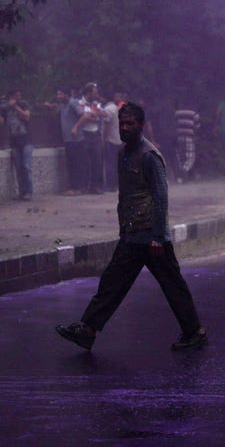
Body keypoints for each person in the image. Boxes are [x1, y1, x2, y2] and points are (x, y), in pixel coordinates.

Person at [55, 102, 207, 352]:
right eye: (122, 124)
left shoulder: (150, 156)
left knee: (172, 285)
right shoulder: (122, 154)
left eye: (130, 124)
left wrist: (158, 235)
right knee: (112, 282)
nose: (124, 128)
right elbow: (126, 195)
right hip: (132, 235)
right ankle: (88, 329)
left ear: (141, 125)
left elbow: (160, 196)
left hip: (152, 237)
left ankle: (195, 332)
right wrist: (123, 228)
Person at [1, 89, 34, 200]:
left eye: (19, 95)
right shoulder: (5, 108)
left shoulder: (23, 104)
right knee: (19, 167)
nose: (18, 97)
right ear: (11, 96)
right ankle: (22, 191)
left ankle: (29, 191)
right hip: (14, 141)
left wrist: (15, 107)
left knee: (26, 166)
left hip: (26, 140)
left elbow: (27, 116)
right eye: (16, 95)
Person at [173, 104, 201, 183]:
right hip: (189, 137)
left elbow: (174, 124)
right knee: (191, 158)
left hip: (179, 137)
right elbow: (197, 126)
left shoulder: (177, 113)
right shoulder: (194, 113)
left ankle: (180, 176)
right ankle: (183, 171)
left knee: (181, 157)